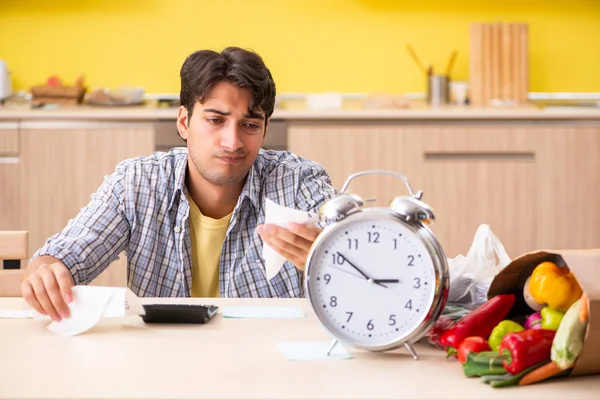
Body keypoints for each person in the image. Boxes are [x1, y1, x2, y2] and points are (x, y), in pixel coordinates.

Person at [21, 47, 336, 322]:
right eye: (215, 120)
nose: (233, 141)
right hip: (160, 367)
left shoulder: (298, 183)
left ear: (265, 130)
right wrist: (47, 273)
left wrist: (333, 260)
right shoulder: (137, 184)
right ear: (184, 122)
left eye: (250, 125)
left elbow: (362, 264)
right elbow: (60, 257)